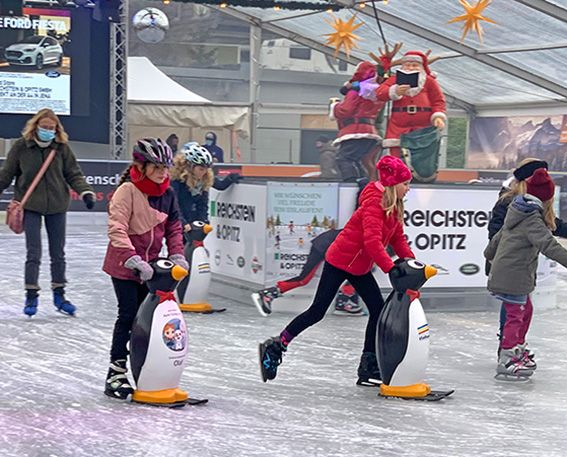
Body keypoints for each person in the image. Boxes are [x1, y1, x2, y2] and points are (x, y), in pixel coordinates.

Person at [258, 157, 415, 386]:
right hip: (340, 260)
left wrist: (412, 262)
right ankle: (276, 345)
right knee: (317, 311)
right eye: (406, 184)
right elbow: (372, 242)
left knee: (377, 310)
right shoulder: (374, 205)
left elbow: (398, 239)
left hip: (359, 267)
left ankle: (368, 366)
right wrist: (390, 269)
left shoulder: (394, 206)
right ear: (393, 184)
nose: (408, 189)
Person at [484, 168, 567, 379]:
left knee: (525, 311)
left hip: (512, 273)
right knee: (516, 315)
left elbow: (498, 237)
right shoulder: (531, 218)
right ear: (546, 197)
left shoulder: (519, 209)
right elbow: (548, 245)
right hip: (513, 275)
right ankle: (507, 356)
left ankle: (517, 349)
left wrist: (489, 256)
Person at [102, 138, 189, 400]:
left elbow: (174, 226)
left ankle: (150, 371)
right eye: (156, 167)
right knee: (128, 317)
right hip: (125, 266)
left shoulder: (168, 193)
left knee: (148, 322)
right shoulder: (127, 191)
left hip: (153, 268)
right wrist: (132, 258)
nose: (163, 172)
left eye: (166, 167)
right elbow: (117, 227)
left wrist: (177, 254)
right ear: (141, 166)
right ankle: (116, 373)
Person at [0, 108, 96, 317]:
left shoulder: (61, 148)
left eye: (51, 128)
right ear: (36, 127)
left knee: (58, 253)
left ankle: (59, 295)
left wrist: (86, 192)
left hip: (57, 206)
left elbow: (73, 174)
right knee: (33, 252)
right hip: (31, 206)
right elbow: (6, 174)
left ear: (57, 129)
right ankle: (31, 294)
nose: (48, 131)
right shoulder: (22, 147)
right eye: (44, 128)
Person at [251, 179, 371, 318]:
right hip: (325, 245)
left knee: (360, 269)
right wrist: (364, 185)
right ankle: (267, 294)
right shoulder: (367, 225)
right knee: (305, 279)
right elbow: (361, 206)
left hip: (328, 244)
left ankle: (344, 298)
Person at [376, 50, 447, 158]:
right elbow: (380, 93)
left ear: (421, 67)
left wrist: (438, 116)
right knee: (398, 157)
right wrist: (394, 91)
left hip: (423, 126)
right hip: (398, 126)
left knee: (422, 158)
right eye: (407, 65)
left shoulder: (429, 81)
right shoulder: (395, 80)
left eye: (414, 65)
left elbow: (438, 100)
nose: (410, 68)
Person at [331, 61, 385, 181]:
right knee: (355, 159)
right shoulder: (376, 93)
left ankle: (352, 184)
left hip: (355, 131)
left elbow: (346, 110)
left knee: (343, 159)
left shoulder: (355, 91)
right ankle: (361, 181)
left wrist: (334, 106)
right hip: (370, 131)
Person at [170, 142, 241, 231]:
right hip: (178, 222)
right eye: (201, 169)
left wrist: (202, 222)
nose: (203, 173)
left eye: (206, 170)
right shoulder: (176, 181)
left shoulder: (205, 179)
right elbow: (173, 206)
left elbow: (203, 204)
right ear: (190, 166)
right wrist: (183, 224)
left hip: (192, 220)